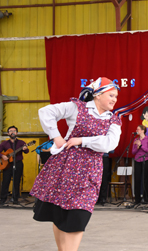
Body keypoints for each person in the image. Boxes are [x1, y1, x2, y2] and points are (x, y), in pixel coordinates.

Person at [30, 77, 121, 251]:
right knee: (59, 213)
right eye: (111, 95)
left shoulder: (113, 120)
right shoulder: (76, 108)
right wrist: (56, 137)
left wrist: (82, 140)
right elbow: (46, 112)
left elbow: (110, 143)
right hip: (64, 167)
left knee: (79, 215)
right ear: (97, 95)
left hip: (89, 172)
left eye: (116, 96)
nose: (114, 100)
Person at [0, 126, 29, 205]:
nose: (12, 132)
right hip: (7, 165)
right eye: (10, 131)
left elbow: (27, 151)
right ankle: (3, 199)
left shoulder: (21, 142)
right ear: (8, 133)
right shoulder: (4, 143)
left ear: (16, 133)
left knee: (17, 181)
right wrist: (2, 156)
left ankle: (15, 198)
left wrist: (25, 148)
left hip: (18, 163)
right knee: (6, 181)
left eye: (14, 131)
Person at [132, 125, 148, 204]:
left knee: (145, 179)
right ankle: (137, 199)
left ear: (143, 130)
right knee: (137, 179)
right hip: (137, 160)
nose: (137, 130)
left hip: (146, 160)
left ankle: (145, 198)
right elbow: (133, 152)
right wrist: (137, 147)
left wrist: (141, 145)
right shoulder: (135, 139)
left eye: (138, 129)